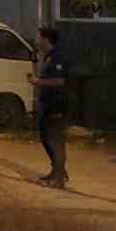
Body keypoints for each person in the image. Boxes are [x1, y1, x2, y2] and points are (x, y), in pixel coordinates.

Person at [29, 25, 72, 189]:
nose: (36, 40)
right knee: (46, 138)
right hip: (47, 103)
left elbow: (60, 81)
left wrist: (38, 81)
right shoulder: (47, 57)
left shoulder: (58, 57)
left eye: (38, 37)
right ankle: (57, 171)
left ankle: (59, 178)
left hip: (57, 104)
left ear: (46, 39)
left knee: (55, 140)